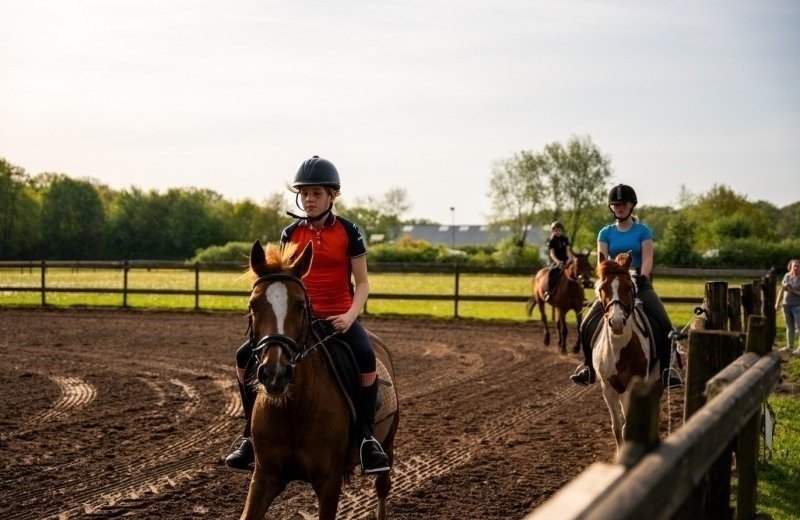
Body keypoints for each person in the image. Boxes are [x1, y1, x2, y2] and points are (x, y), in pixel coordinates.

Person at [225, 155, 390, 475]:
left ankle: (367, 439)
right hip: (302, 320)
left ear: (332, 196)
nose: (309, 199)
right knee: (244, 356)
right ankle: (248, 435)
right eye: (304, 193)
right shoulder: (290, 233)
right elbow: (285, 283)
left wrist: (350, 316)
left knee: (366, 357)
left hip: (340, 318)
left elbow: (364, 283)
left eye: (316, 193)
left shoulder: (349, 231)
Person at [569, 184, 681, 388]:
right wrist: (608, 280)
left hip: (639, 283)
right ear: (612, 207)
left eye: (623, 204)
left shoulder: (643, 231)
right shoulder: (605, 233)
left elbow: (648, 258)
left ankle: (665, 371)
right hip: (613, 286)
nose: (619, 207)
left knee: (665, 325)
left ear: (632, 206)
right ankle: (588, 368)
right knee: (586, 324)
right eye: (615, 204)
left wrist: (642, 276)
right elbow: (602, 262)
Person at [543, 221, 576, 302]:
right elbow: (552, 253)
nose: (557, 232)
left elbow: (568, 251)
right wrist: (558, 262)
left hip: (567, 261)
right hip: (556, 262)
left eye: (559, 230)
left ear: (562, 231)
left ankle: (579, 294)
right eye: (556, 230)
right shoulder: (551, 241)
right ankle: (549, 292)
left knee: (576, 272)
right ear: (553, 231)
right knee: (552, 273)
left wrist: (569, 259)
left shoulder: (565, 239)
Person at [775, 259, 800, 355]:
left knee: (799, 327)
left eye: (798, 266)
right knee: (789, 327)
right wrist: (777, 302)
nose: (796, 268)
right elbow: (782, 289)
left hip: (798, 306)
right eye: (794, 266)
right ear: (791, 267)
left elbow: (793, 291)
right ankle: (790, 346)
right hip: (786, 305)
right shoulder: (787, 276)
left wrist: (794, 291)